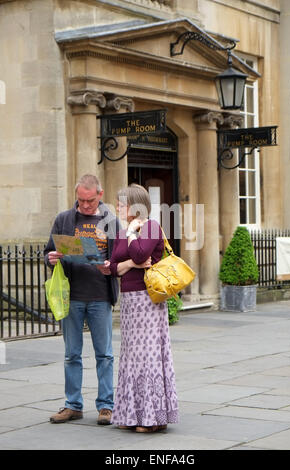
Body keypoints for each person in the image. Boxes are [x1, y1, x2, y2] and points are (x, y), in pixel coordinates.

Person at [44, 174, 121, 425]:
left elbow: (120, 256)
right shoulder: (64, 219)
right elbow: (48, 252)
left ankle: (106, 406)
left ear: (99, 195)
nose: (85, 205)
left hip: (100, 296)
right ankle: (73, 405)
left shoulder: (110, 221)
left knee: (105, 355)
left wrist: (112, 266)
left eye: (89, 200)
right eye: (81, 200)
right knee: (71, 354)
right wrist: (51, 258)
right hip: (72, 297)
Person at [106, 184, 178, 433]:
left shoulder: (151, 227)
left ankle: (153, 418)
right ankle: (131, 414)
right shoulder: (122, 231)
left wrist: (132, 242)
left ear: (135, 205)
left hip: (148, 301)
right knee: (130, 358)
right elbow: (114, 267)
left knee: (148, 357)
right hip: (129, 301)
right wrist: (131, 264)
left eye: (121, 203)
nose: (117, 207)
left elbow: (139, 254)